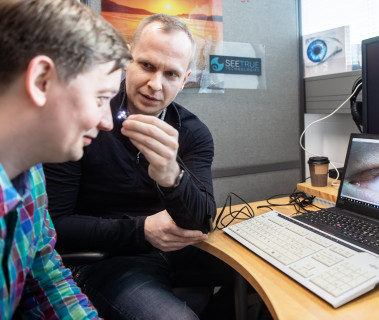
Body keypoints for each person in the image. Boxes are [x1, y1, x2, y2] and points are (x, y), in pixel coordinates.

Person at [44, 14, 233, 320]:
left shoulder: (192, 132)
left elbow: (202, 220)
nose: (155, 84)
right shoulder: (86, 120)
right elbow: (55, 226)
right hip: (110, 258)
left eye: (170, 74)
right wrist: (140, 230)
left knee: (272, 279)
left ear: (184, 80)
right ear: (127, 61)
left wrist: (172, 177)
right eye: (147, 65)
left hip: (179, 253)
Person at [0, 0, 131, 318]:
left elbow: (44, 278)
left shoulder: (32, 175)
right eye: (101, 98)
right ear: (42, 80)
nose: (107, 122)